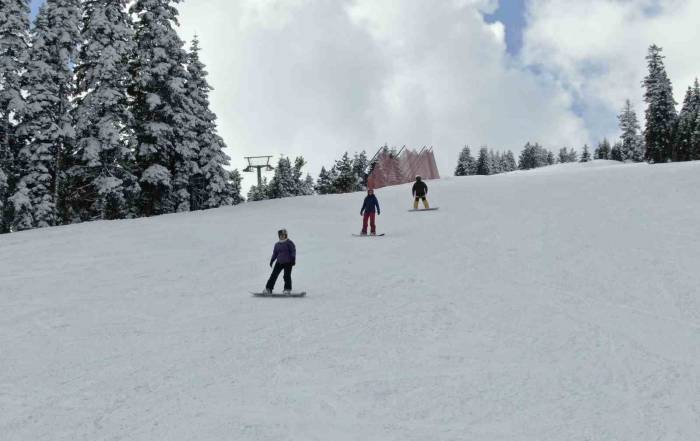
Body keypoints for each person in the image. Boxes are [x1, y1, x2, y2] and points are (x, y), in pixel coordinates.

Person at [264, 229, 296, 294]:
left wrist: (293, 259)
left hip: (288, 262)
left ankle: (287, 289)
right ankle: (268, 289)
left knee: (286, 276)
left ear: (286, 235)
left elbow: (293, 251)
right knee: (273, 275)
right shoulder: (277, 244)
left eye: (283, 235)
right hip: (279, 262)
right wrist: (272, 260)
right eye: (281, 236)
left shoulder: (289, 243)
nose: (282, 237)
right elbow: (275, 253)